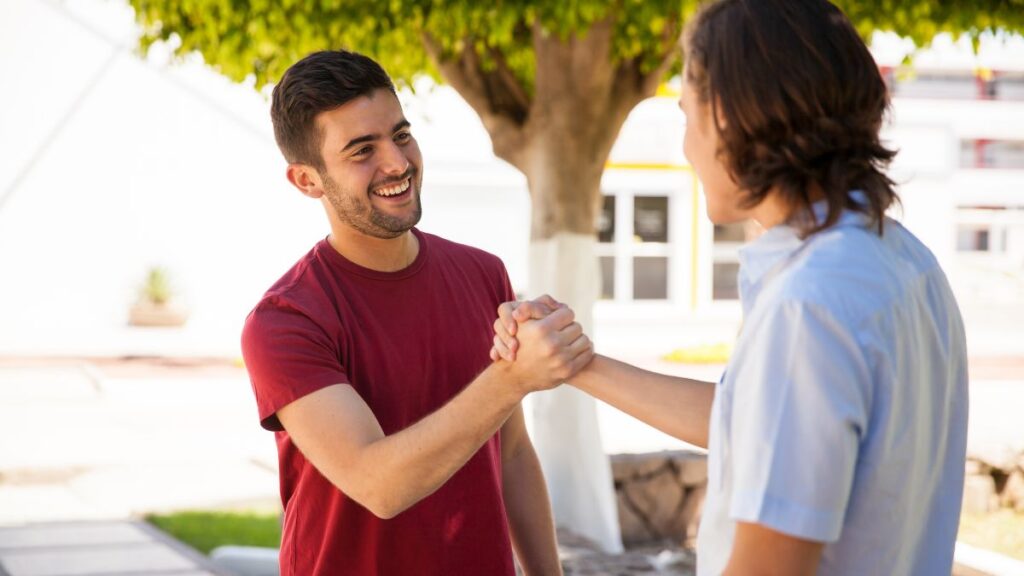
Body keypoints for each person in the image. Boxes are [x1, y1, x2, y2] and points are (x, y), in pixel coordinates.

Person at [492, 0, 969, 574]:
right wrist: (577, 362)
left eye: (687, 115)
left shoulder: (809, 305)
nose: (686, 147)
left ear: (730, 117)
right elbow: (748, 420)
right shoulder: (905, 261)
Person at [241, 49, 591, 575]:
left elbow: (512, 453)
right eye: (362, 150)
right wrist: (512, 379)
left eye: (400, 135)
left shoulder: (482, 274)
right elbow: (379, 484)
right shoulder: (286, 320)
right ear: (307, 180)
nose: (397, 163)